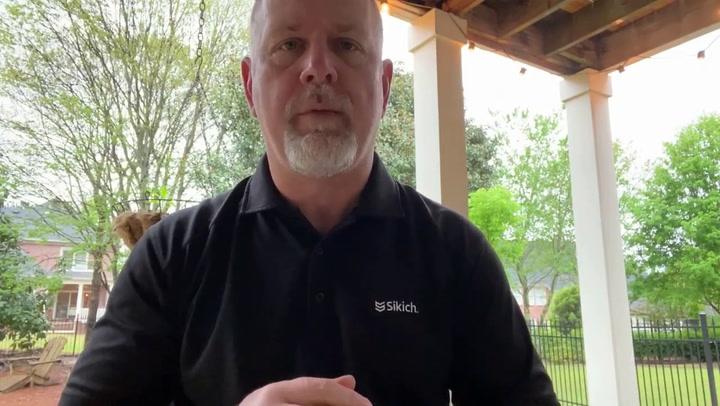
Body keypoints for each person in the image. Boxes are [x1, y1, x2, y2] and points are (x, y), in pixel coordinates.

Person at [60, 0, 559, 404]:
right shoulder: (171, 255)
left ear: (384, 86)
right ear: (250, 86)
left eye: (346, 45)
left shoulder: (459, 253)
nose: (318, 69)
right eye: (289, 45)